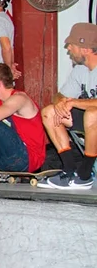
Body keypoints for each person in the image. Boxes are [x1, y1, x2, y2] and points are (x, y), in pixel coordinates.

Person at [37, 23, 97, 190]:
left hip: (94, 117)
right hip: (90, 121)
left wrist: (74, 102)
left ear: (85, 48)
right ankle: (69, 170)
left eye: (72, 44)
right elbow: (60, 95)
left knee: (92, 114)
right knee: (49, 112)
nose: (68, 48)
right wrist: (60, 102)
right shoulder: (80, 70)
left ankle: (84, 173)